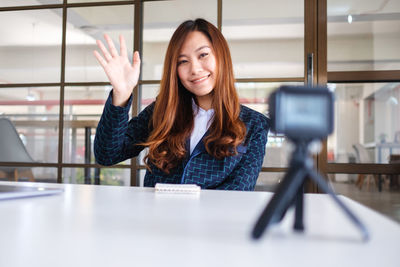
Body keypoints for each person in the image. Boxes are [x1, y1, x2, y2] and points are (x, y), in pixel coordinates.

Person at [93, 18, 270, 190]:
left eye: (203, 55)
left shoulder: (255, 125)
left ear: (221, 57)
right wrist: (121, 94)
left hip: (214, 220)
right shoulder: (162, 111)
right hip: (156, 218)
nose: (194, 69)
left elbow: (238, 192)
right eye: (183, 61)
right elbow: (107, 154)